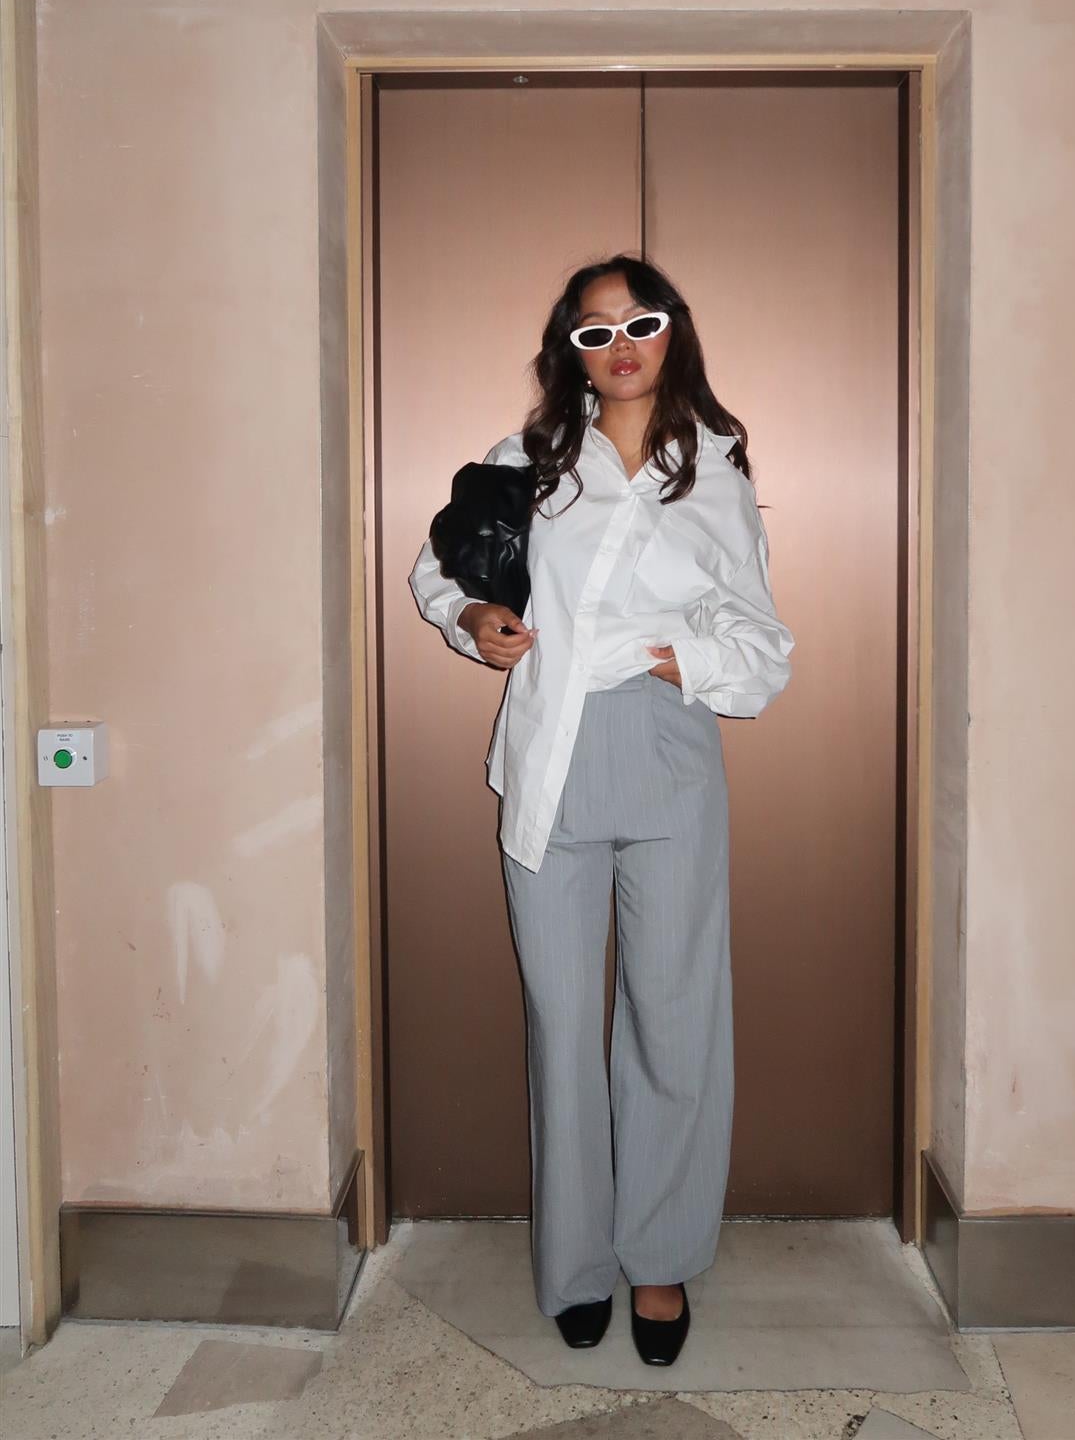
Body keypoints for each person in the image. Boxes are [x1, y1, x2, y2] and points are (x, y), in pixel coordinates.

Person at [409, 254, 794, 1367]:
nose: (619, 345)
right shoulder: (526, 459)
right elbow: (442, 570)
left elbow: (765, 650)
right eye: (593, 331)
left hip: (668, 748)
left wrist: (682, 656)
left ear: (674, 334)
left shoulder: (715, 474)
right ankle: (577, 1261)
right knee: (565, 1025)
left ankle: (660, 1259)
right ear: (568, 349)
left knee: (674, 1019)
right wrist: (475, 616)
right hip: (551, 756)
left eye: (641, 322)